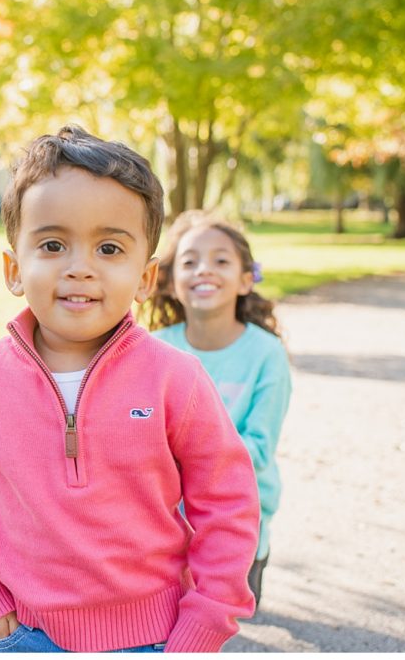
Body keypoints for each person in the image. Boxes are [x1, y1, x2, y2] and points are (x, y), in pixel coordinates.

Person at [0, 125, 259, 653]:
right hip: (22, 636)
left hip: (155, 637)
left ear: (146, 279)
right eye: (53, 244)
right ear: (15, 269)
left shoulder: (176, 379)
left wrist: (207, 621)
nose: (80, 268)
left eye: (109, 248)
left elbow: (227, 503)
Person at [144, 210, 292, 609]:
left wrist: (181, 457)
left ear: (247, 279)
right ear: (171, 282)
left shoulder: (266, 354)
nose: (204, 270)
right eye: (190, 262)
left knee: (221, 621)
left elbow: (259, 447)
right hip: (160, 525)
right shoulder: (152, 349)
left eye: (221, 260)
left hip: (237, 519)